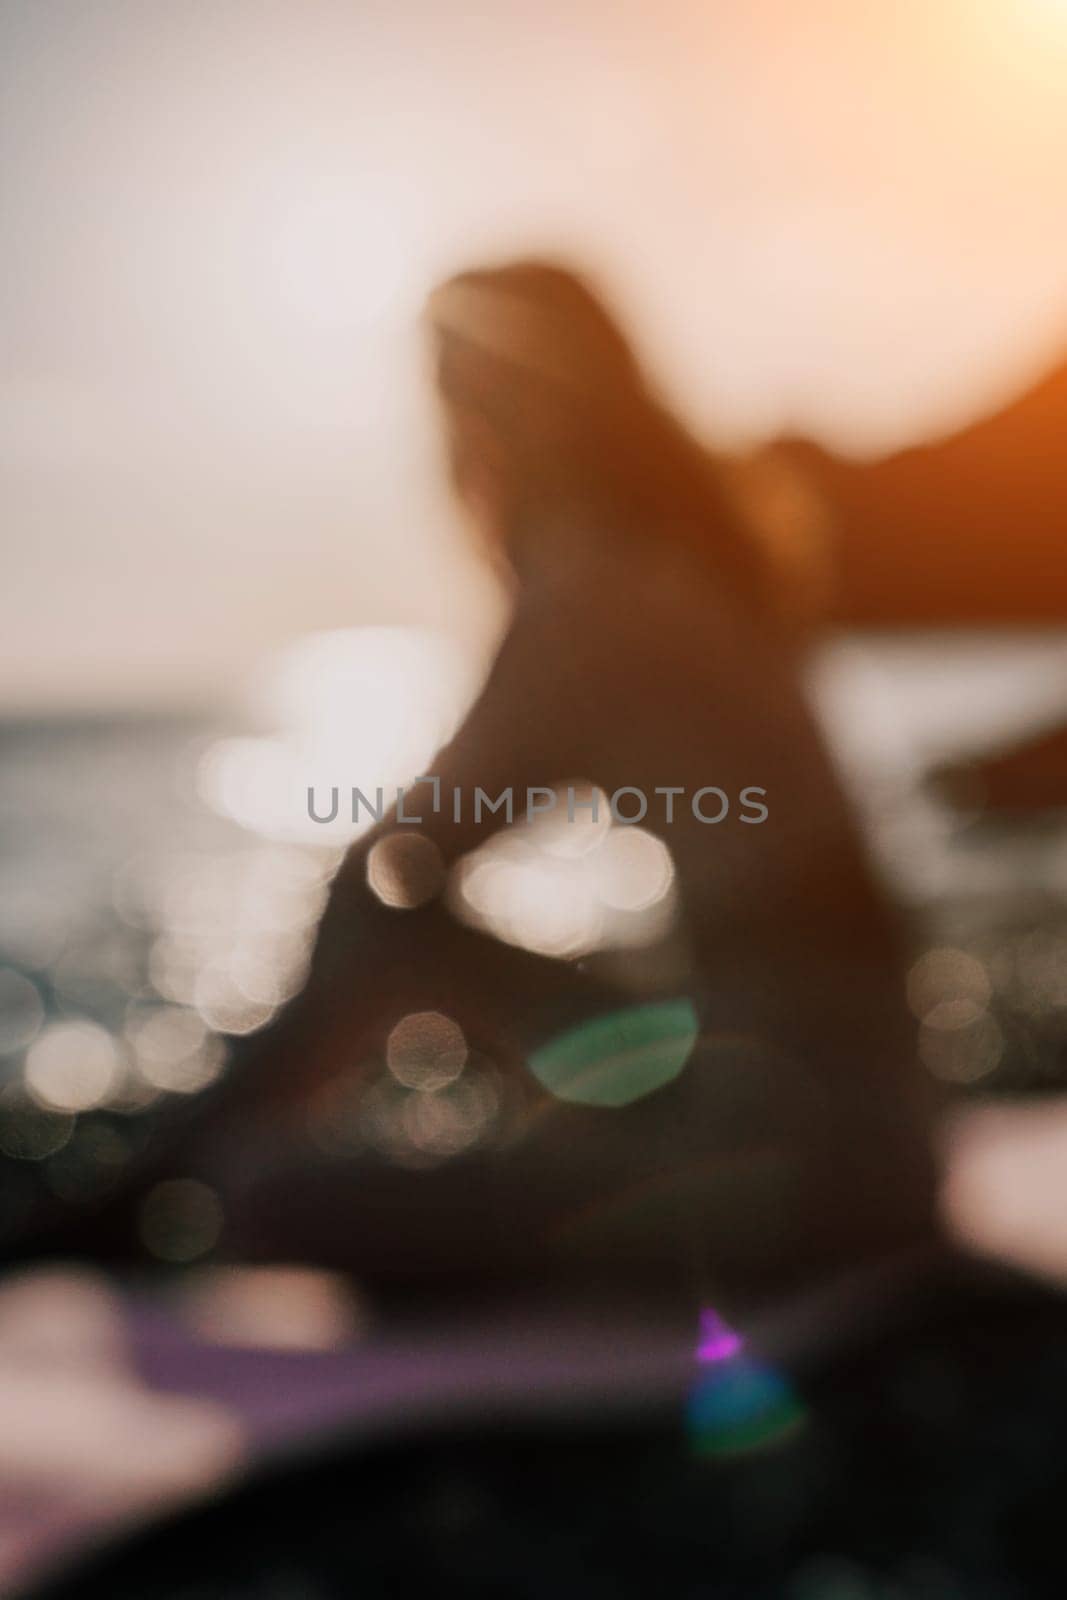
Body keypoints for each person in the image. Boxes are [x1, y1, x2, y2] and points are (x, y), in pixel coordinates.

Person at [19, 262, 939, 1312]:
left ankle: (160, 1176)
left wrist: (287, 1067)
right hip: (859, 1112)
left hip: (807, 1171)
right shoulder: (688, 561)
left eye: (460, 389)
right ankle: (178, 1165)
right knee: (373, 991)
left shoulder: (594, 583)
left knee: (270, 1195)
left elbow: (403, 855)